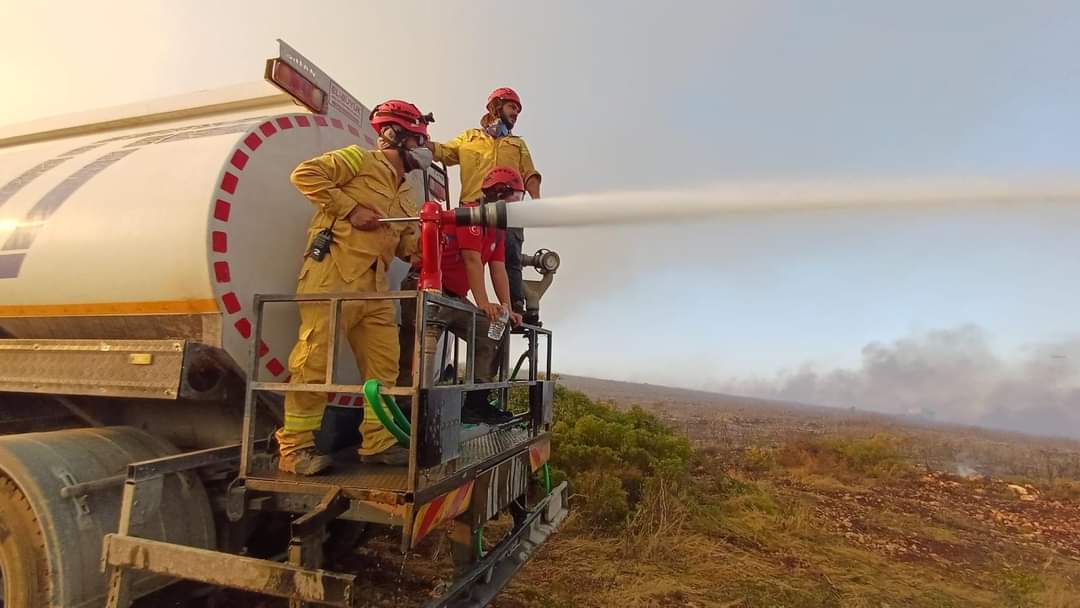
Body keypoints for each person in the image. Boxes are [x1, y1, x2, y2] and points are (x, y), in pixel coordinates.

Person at [276, 100, 433, 475]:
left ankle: (377, 442)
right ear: (394, 136)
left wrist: (427, 245)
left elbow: (405, 243)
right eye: (418, 141)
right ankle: (294, 449)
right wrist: (349, 209)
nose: (424, 151)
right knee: (314, 361)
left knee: (385, 366)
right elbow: (305, 174)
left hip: (375, 288)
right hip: (333, 278)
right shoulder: (357, 159)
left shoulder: (408, 192)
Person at [397, 166, 525, 424]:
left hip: (452, 297)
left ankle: (476, 404)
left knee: (493, 330)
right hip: (425, 290)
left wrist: (506, 307)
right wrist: (482, 302)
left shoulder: (498, 229)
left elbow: (498, 269)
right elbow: (472, 260)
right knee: (414, 351)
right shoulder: (470, 216)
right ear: (500, 195)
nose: (518, 206)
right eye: (516, 199)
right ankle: (404, 410)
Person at [428, 87, 540, 319]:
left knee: (508, 255)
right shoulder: (469, 138)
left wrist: (536, 203)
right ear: (495, 106)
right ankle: (462, 297)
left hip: (508, 213)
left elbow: (529, 174)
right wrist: (420, 140)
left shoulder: (517, 144)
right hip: (472, 210)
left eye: (518, 111)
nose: (516, 114)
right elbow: (444, 152)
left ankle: (513, 307)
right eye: (512, 107)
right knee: (469, 258)